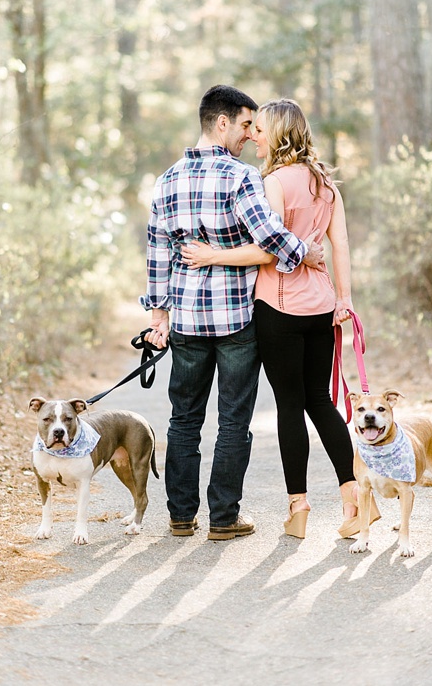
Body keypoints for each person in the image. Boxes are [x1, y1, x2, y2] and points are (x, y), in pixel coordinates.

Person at [182, 98, 380, 539]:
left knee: (290, 406)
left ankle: (299, 506)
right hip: (323, 308)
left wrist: (212, 255)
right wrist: (344, 299)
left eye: (260, 129)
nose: (253, 136)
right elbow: (341, 245)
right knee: (321, 402)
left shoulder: (271, 182)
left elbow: (269, 249)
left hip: (279, 308)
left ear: (278, 134)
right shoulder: (327, 185)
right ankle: (353, 500)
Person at [141, 85, 323, 541]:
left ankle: (181, 516)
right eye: (245, 125)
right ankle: (223, 518)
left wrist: (157, 316)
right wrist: (308, 253)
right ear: (221, 123)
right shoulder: (240, 177)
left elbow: (157, 252)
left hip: (184, 318)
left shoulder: (167, 179)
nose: (248, 135)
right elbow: (270, 236)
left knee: (183, 419)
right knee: (233, 420)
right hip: (237, 320)